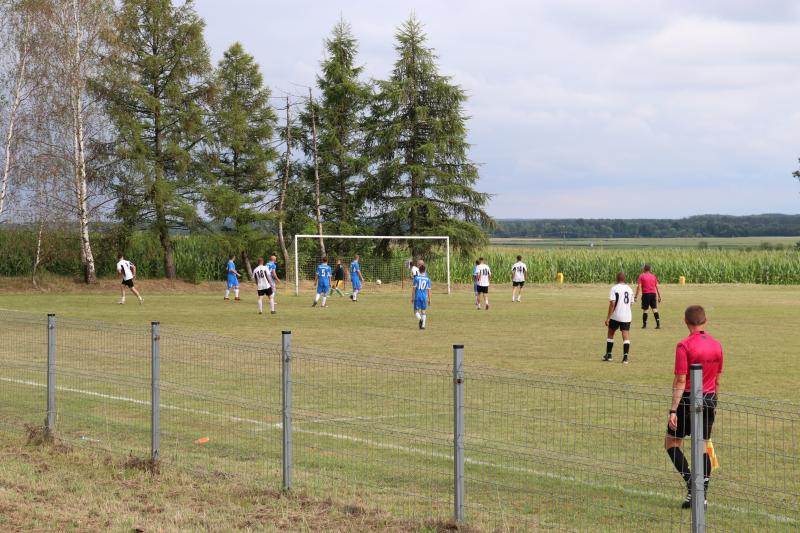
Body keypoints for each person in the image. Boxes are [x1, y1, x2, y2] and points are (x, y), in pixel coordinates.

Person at [665, 305, 723, 509]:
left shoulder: (684, 346)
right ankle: (702, 495)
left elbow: (681, 379)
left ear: (685, 321)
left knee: (672, 443)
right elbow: (717, 380)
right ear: (705, 321)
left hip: (688, 399)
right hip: (709, 398)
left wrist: (673, 410)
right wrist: (714, 403)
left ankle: (692, 483)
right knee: (703, 444)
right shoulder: (717, 345)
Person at [602, 272, 633, 363]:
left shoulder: (614, 288)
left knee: (611, 333)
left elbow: (612, 304)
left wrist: (608, 318)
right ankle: (625, 358)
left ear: (617, 279)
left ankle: (609, 355)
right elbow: (631, 304)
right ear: (625, 279)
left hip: (616, 315)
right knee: (625, 335)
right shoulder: (630, 289)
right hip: (627, 316)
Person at [635, 264, 662, 329]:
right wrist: (659, 296)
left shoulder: (641, 276)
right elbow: (657, 287)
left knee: (645, 310)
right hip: (653, 294)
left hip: (646, 294)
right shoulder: (653, 276)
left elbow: (639, 287)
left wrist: (636, 296)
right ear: (650, 269)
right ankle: (658, 324)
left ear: (644, 269)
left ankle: (644, 325)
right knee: (654, 309)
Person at [411, 264, 432, 329]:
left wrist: (412, 298)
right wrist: (429, 299)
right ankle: (423, 326)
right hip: (424, 297)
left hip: (417, 296)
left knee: (415, 311)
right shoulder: (427, 279)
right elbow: (429, 290)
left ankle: (420, 319)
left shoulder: (416, 278)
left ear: (419, 271)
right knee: (423, 311)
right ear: (425, 270)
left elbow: (414, 289)